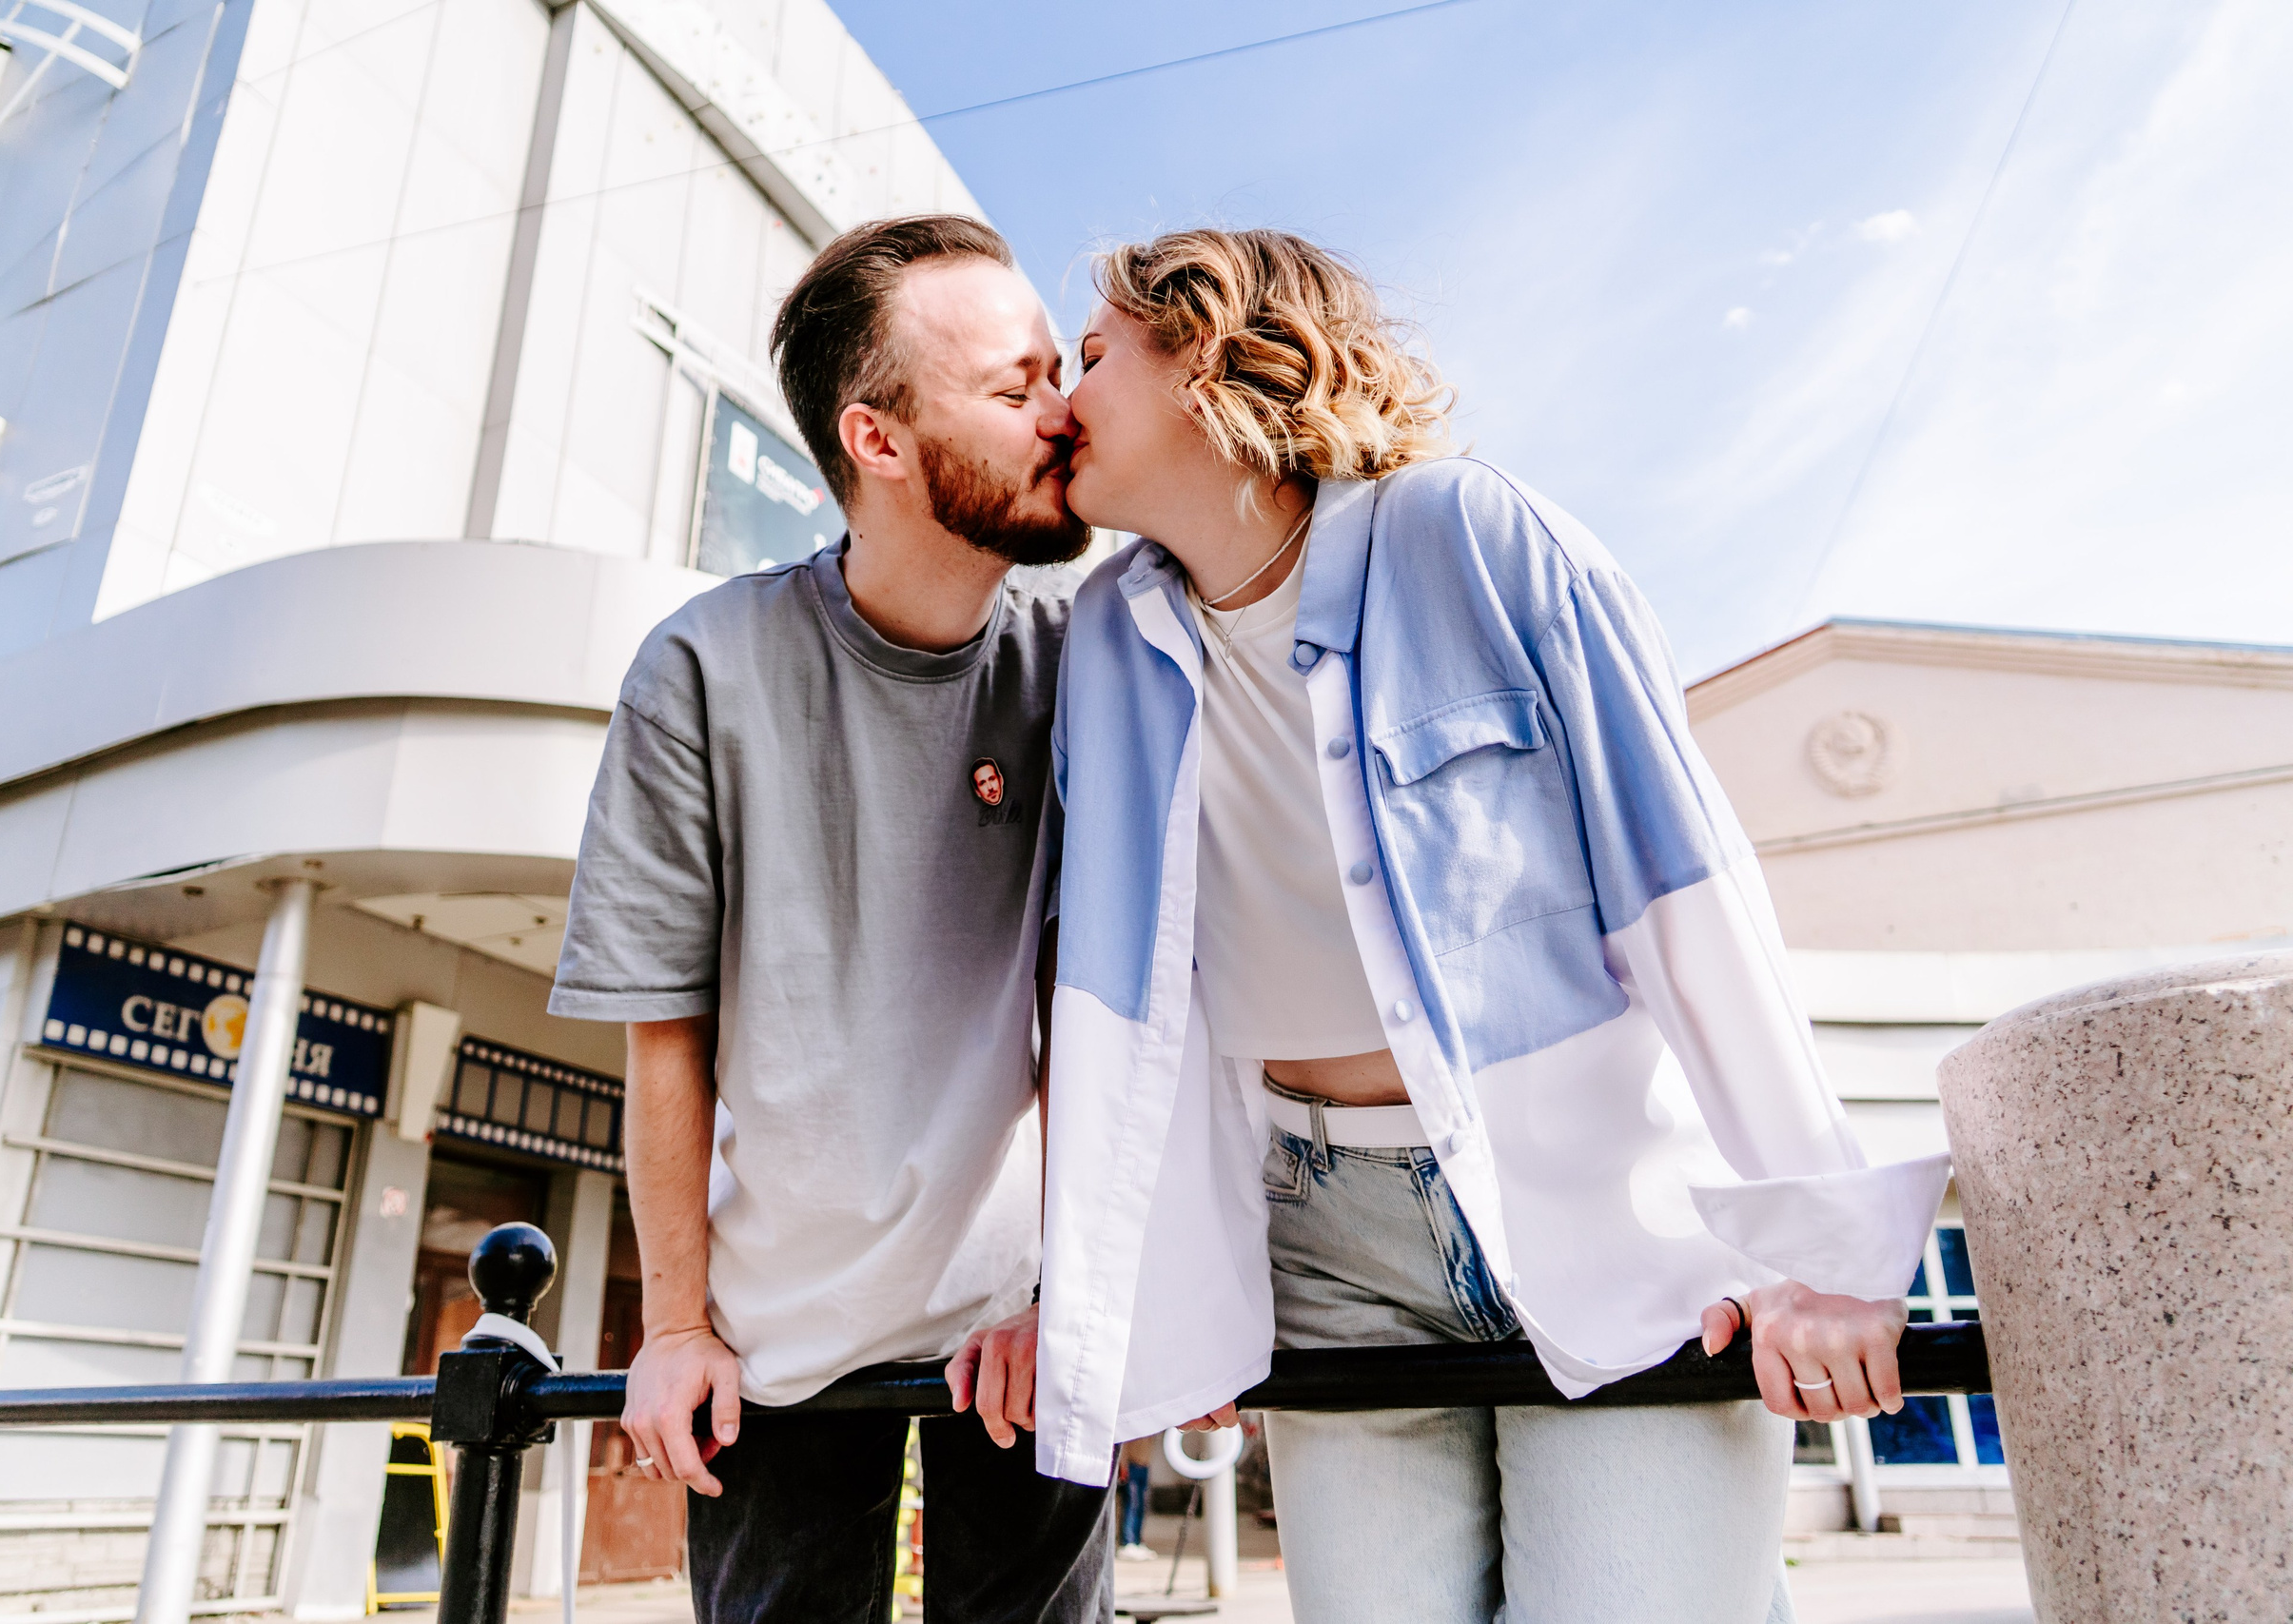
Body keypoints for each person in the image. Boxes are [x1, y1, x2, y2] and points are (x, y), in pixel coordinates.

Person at [1031, 227, 1951, 1621]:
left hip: (1603, 1199)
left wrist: (1817, 1246)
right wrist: (1153, 1299)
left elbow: (1686, 886)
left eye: (1093, 356)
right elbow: (1110, 1006)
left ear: (1208, 349)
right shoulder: (1104, 633)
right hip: (1321, 1245)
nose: (1059, 397)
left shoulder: (1465, 533)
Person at [548, 214, 1111, 1624]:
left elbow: (1109, 1016)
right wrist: (672, 1326)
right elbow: (660, 1033)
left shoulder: (1087, 666)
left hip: (1019, 1331)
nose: (1066, 415)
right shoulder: (699, 671)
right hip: (779, 1341)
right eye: (1014, 387)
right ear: (878, 441)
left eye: (1060, 371)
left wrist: (1090, 1292)